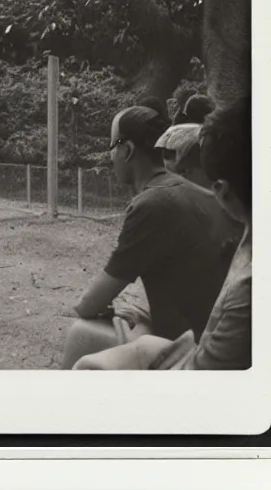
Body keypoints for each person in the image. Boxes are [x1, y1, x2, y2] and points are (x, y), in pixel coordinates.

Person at [74, 96, 251, 371]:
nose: (110, 156)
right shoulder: (192, 190)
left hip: (199, 351)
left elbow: (89, 304)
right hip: (221, 337)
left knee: (82, 332)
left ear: (127, 150)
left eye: (112, 147)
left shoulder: (151, 204)